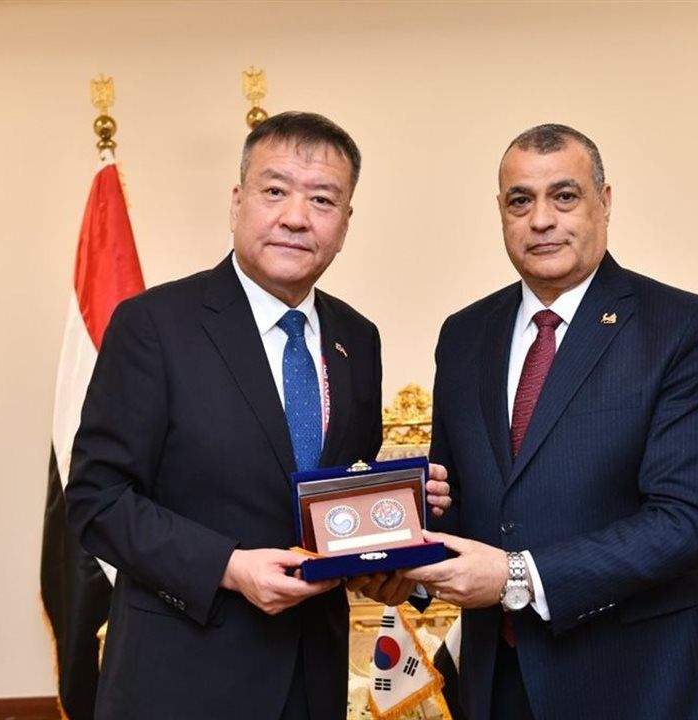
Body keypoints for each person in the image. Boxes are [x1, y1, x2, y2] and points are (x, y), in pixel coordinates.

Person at [65, 111, 443, 719]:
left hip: (313, 677)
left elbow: (335, 502)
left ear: (345, 224)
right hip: (181, 679)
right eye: (275, 191)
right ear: (238, 201)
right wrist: (229, 567)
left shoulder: (357, 338)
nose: (295, 216)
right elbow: (96, 500)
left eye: (322, 200)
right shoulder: (155, 325)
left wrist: (397, 537)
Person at [404, 124, 698, 720]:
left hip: (636, 682)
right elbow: (456, 501)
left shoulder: (682, 328)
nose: (541, 220)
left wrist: (516, 577)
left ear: (603, 203)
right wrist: (400, 562)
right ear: (501, 212)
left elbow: (685, 519)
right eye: (520, 201)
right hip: (497, 681)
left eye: (564, 196)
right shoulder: (463, 335)